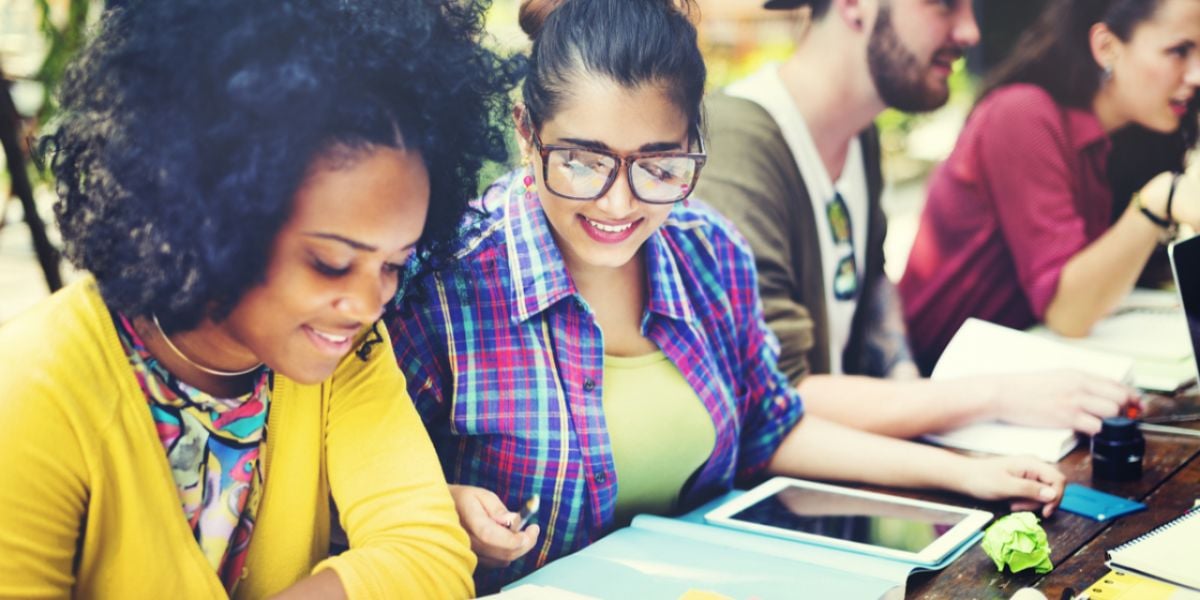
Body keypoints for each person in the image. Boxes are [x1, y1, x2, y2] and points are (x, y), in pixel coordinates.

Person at [389, 0, 1065, 592]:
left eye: (659, 165)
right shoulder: (443, 284)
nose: (619, 204)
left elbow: (772, 427)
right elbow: (355, 498)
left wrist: (965, 475)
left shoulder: (708, 250)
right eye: (584, 162)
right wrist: (438, 506)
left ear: (693, 144)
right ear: (525, 132)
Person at [0, 0, 519, 596]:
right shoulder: (34, 391)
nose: (367, 304)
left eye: (393, 265)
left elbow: (429, 556)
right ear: (212, 214)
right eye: (330, 263)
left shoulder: (349, 353)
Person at [696, 0, 1138, 439]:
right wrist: (996, 395)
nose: (970, 32)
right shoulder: (738, 143)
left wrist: (907, 381)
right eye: (944, 5)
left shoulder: (857, 136)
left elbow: (871, 281)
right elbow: (775, 394)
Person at [899, 0, 1200, 372]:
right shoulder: (1021, 115)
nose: (1196, 75)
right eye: (1179, 51)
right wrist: (1158, 201)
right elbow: (1067, 313)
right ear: (1107, 47)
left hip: (1021, 370)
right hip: (934, 377)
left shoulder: (1134, 136)